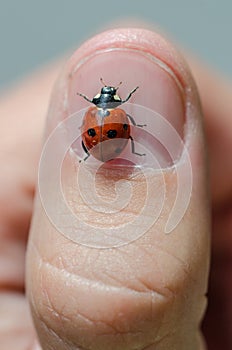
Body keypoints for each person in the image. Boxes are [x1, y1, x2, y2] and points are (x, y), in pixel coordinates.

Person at [0, 27, 231, 350]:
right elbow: (128, 131)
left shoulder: (93, 113)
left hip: (99, 148)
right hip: (109, 147)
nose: (107, 94)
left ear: (98, 100)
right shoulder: (116, 113)